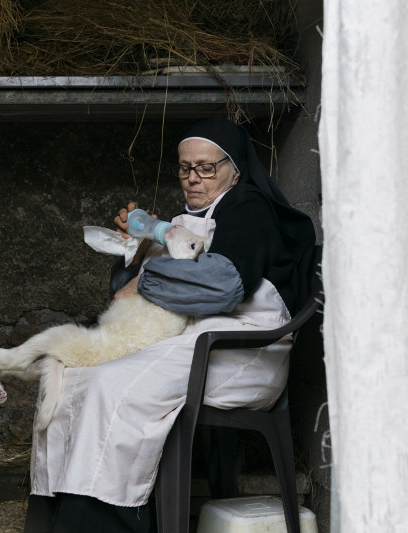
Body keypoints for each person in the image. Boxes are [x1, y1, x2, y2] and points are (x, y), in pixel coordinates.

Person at [23, 117, 316, 533]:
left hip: (244, 348)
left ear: (235, 169)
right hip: (194, 338)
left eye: (206, 168)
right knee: (72, 379)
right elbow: (129, 297)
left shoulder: (249, 208)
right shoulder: (185, 221)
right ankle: (57, 521)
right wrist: (140, 248)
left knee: (112, 387)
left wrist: (147, 279)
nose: (193, 179)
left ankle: (106, 523)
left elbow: (223, 286)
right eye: (184, 168)